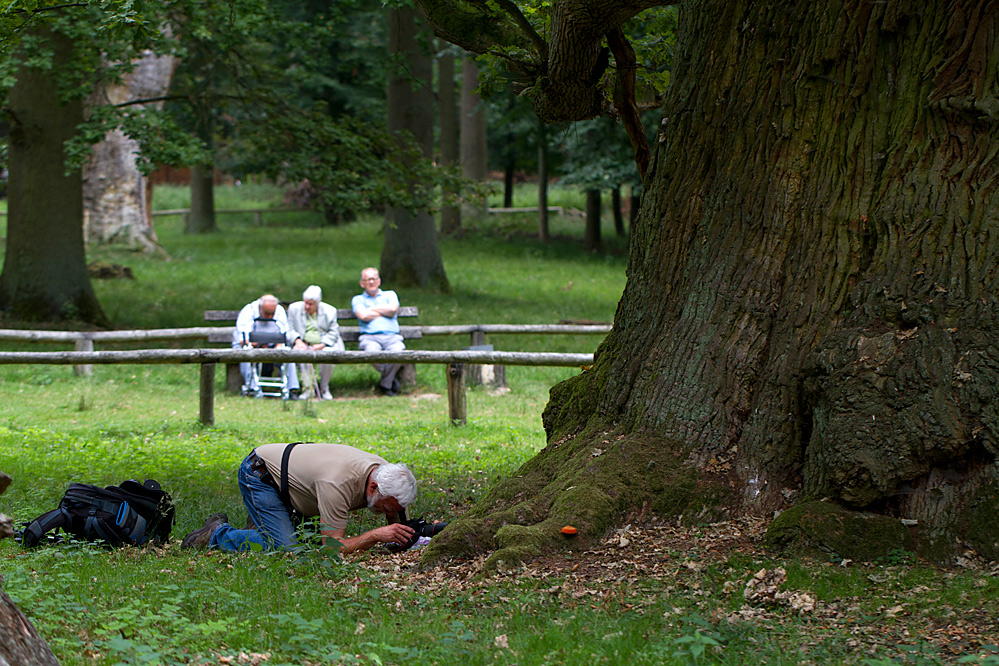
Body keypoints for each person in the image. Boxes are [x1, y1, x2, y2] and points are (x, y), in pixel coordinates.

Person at [181, 442, 417, 553]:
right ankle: (216, 534)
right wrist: (376, 535)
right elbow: (332, 548)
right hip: (260, 475)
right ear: (373, 487)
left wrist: (412, 532)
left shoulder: (388, 473)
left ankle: (261, 524)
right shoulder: (337, 483)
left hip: (291, 485)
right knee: (288, 549)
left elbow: (400, 518)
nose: (389, 514)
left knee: (309, 540)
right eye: (387, 507)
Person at [232, 294, 300, 398]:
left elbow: (285, 334)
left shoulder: (280, 311)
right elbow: (242, 340)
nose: (270, 316)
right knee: (245, 354)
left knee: (288, 354)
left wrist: (278, 345)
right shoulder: (248, 311)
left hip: (273, 346)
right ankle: (252, 389)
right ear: (260, 308)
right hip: (252, 346)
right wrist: (259, 344)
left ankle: (291, 389)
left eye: (272, 313)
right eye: (267, 313)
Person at [351, 267, 405, 396]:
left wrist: (372, 309)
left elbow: (393, 310)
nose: (371, 282)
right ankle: (390, 381)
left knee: (398, 353)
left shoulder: (390, 294)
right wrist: (384, 311)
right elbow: (363, 316)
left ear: (379, 281)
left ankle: (385, 384)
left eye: (373, 279)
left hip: (392, 337)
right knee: (372, 354)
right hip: (370, 338)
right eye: (367, 280)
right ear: (361, 283)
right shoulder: (357, 299)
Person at [287, 285, 344, 400]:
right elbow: (289, 329)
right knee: (300, 353)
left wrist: (321, 345)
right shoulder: (294, 308)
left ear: (318, 303)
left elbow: (334, 332)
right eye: (306, 303)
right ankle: (308, 389)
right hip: (303, 343)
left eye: (311, 304)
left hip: (325, 344)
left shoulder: (330, 311)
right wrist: (298, 341)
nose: (307, 306)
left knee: (329, 355)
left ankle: (324, 388)